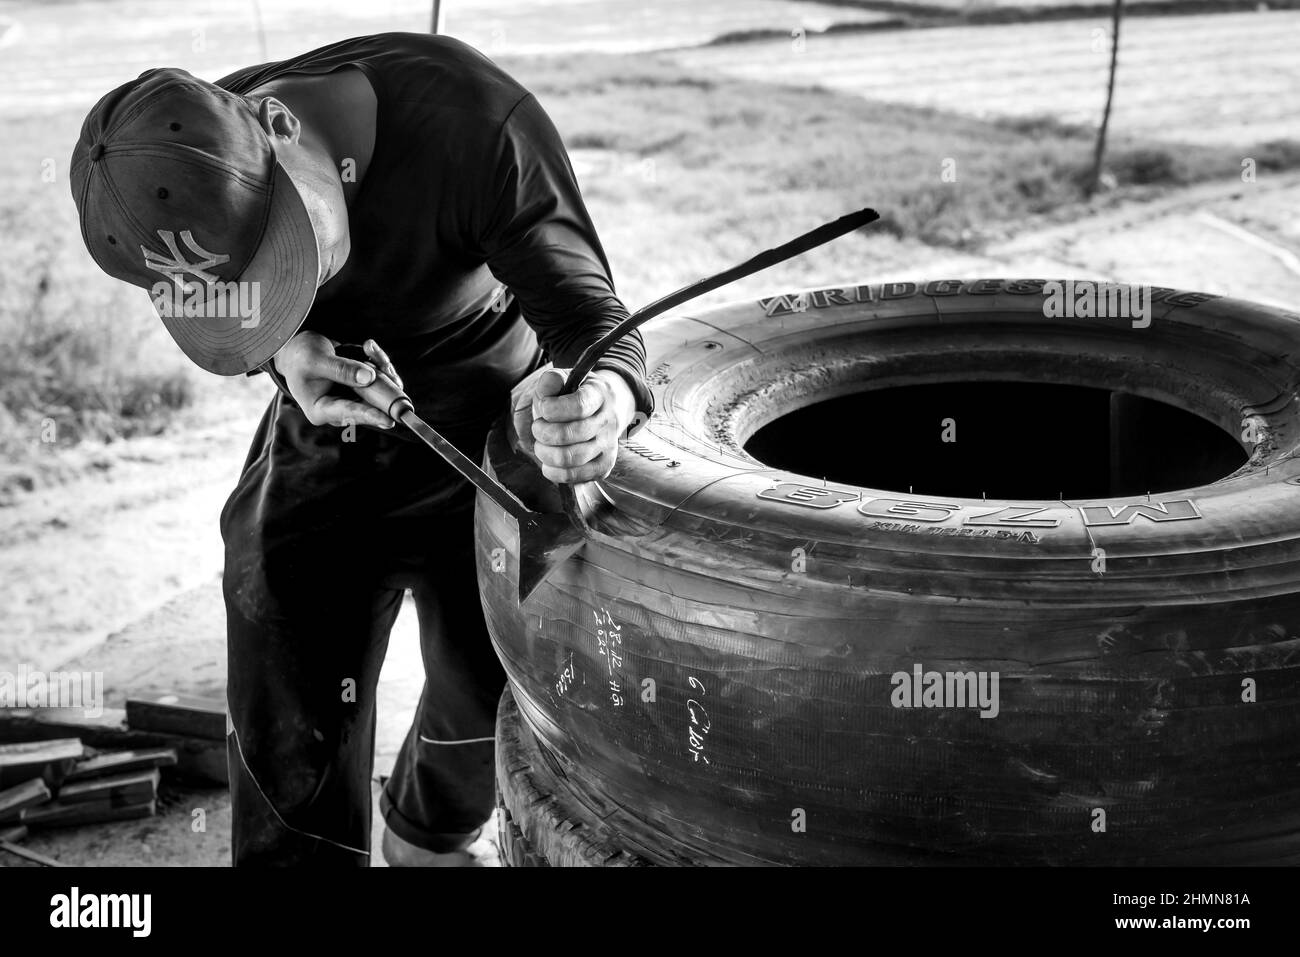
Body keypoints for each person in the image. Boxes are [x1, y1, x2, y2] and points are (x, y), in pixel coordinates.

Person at [69, 31, 653, 866]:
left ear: (279, 127)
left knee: (498, 675)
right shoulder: (181, 157)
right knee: (277, 643)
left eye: (286, 261)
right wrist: (283, 351)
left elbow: (597, 325)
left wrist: (600, 401)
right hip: (325, 425)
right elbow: (223, 304)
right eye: (262, 292)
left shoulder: (474, 123)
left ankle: (427, 837)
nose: (291, 293)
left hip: (492, 430)